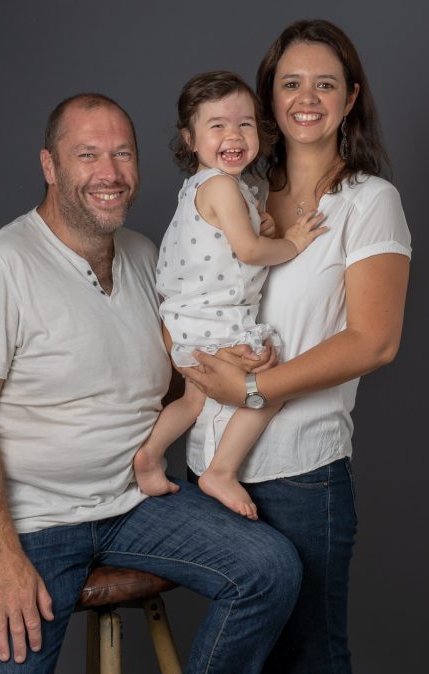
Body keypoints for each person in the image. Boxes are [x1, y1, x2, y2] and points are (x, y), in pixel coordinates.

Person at [0, 92, 302, 674]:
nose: (109, 173)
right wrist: (1, 556)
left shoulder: (144, 255)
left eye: (122, 154)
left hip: (136, 503)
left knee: (271, 568)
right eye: (87, 155)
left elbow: (183, 368)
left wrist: (240, 363)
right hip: (32, 523)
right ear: (49, 166)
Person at [179, 20, 413, 674]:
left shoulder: (369, 203)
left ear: (351, 98)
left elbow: (375, 339)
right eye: (290, 83)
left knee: (308, 660)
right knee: (245, 660)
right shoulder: (240, 194)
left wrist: (252, 390)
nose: (306, 97)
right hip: (209, 471)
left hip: (301, 475)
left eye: (325, 83)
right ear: (268, 97)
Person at [132, 71, 326, 520]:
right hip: (215, 319)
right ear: (190, 138)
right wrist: (293, 242)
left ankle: (149, 455)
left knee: (194, 400)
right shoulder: (222, 186)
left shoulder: (205, 186)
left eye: (245, 124)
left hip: (186, 320)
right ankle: (221, 470)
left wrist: (266, 225)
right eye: (216, 125)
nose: (233, 135)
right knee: (272, 386)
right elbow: (250, 251)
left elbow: (229, 241)